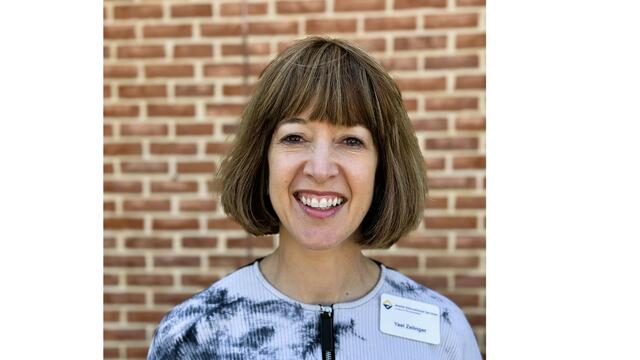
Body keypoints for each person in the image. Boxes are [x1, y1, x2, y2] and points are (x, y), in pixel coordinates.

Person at [147, 36, 482, 360]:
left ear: (383, 166)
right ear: (262, 160)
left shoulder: (444, 333)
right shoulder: (191, 336)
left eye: (351, 141)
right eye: (294, 137)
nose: (320, 169)